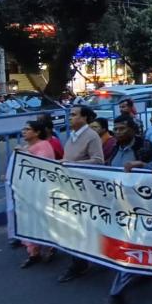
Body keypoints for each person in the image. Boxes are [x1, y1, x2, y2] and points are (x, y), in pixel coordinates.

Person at [98, 114, 152, 304]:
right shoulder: (115, 148)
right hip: (120, 206)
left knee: (130, 248)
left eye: (122, 129)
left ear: (133, 129)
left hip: (141, 207)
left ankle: (116, 295)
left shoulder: (145, 147)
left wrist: (142, 166)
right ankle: (145, 270)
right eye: (116, 129)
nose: (118, 133)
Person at [56, 105, 105, 284]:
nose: (70, 117)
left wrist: (72, 165)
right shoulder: (72, 136)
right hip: (72, 187)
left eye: (74, 115)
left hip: (85, 190)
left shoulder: (91, 136)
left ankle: (80, 263)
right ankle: (82, 260)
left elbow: (98, 161)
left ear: (84, 118)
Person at [16, 120, 57, 269]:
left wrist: (23, 153)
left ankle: (50, 248)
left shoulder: (44, 146)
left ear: (37, 132)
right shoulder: (27, 147)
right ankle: (33, 252)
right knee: (29, 220)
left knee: (43, 220)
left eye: (27, 129)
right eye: (24, 129)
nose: (24, 131)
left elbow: (40, 165)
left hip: (42, 191)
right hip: (27, 191)